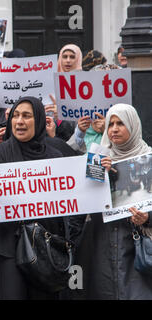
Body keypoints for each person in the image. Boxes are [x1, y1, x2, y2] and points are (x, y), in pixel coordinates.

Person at [0, 96, 80, 299]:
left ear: (38, 120)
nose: (19, 121)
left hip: (47, 246)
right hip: (10, 246)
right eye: (16, 116)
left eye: (26, 116)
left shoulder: (55, 156)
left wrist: (100, 170)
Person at [72, 103, 152, 300]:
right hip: (102, 244)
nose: (114, 129)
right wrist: (100, 176)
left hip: (136, 246)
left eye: (121, 123)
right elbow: (83, 205)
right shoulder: (97, 157)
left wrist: (147, 219)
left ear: (133, 126)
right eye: (111, 124)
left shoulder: (148, 158)